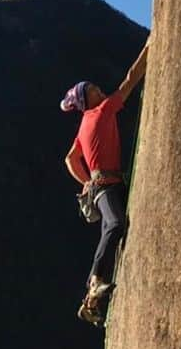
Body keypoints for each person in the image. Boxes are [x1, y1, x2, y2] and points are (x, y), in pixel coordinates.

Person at [61, 40, 149, 326]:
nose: (99, 89)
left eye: (95, 88)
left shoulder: (85, 121)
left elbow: (70, 159)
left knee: (116, 231)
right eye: (94, 91)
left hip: (102, 187)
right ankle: (96, 279)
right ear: (89, 101)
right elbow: (129, 81)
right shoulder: (102, 110)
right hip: (107, 187)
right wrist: (149, 48)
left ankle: (91, 303)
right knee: (115, 225)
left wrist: (86, 181)